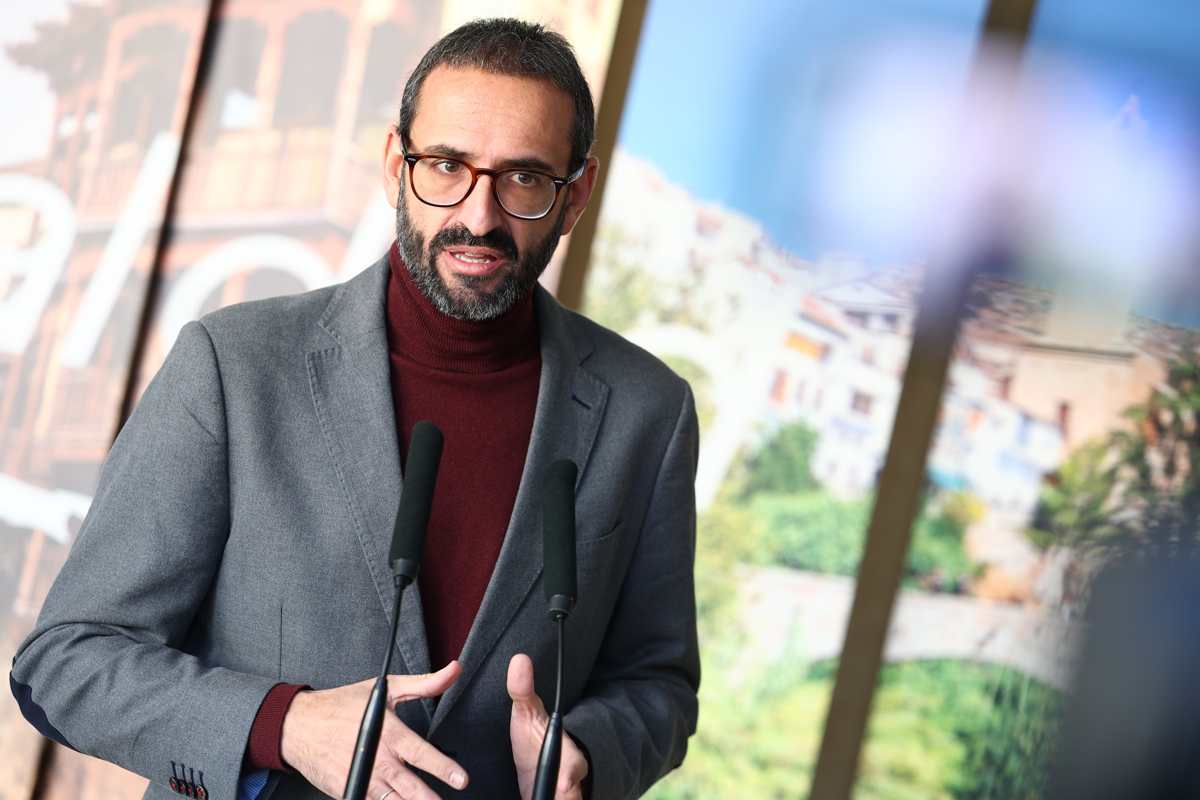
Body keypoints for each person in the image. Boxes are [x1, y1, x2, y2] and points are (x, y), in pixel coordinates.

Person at [10, 18, 700, 800]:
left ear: (575, 196)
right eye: (445, 166)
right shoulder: (232, 365)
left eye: (523, 180)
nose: (478, 216)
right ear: (393, 164)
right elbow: (64, 661)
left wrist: (589, 752)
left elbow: (659, 685)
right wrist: (283, 725)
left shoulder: (651, 412)